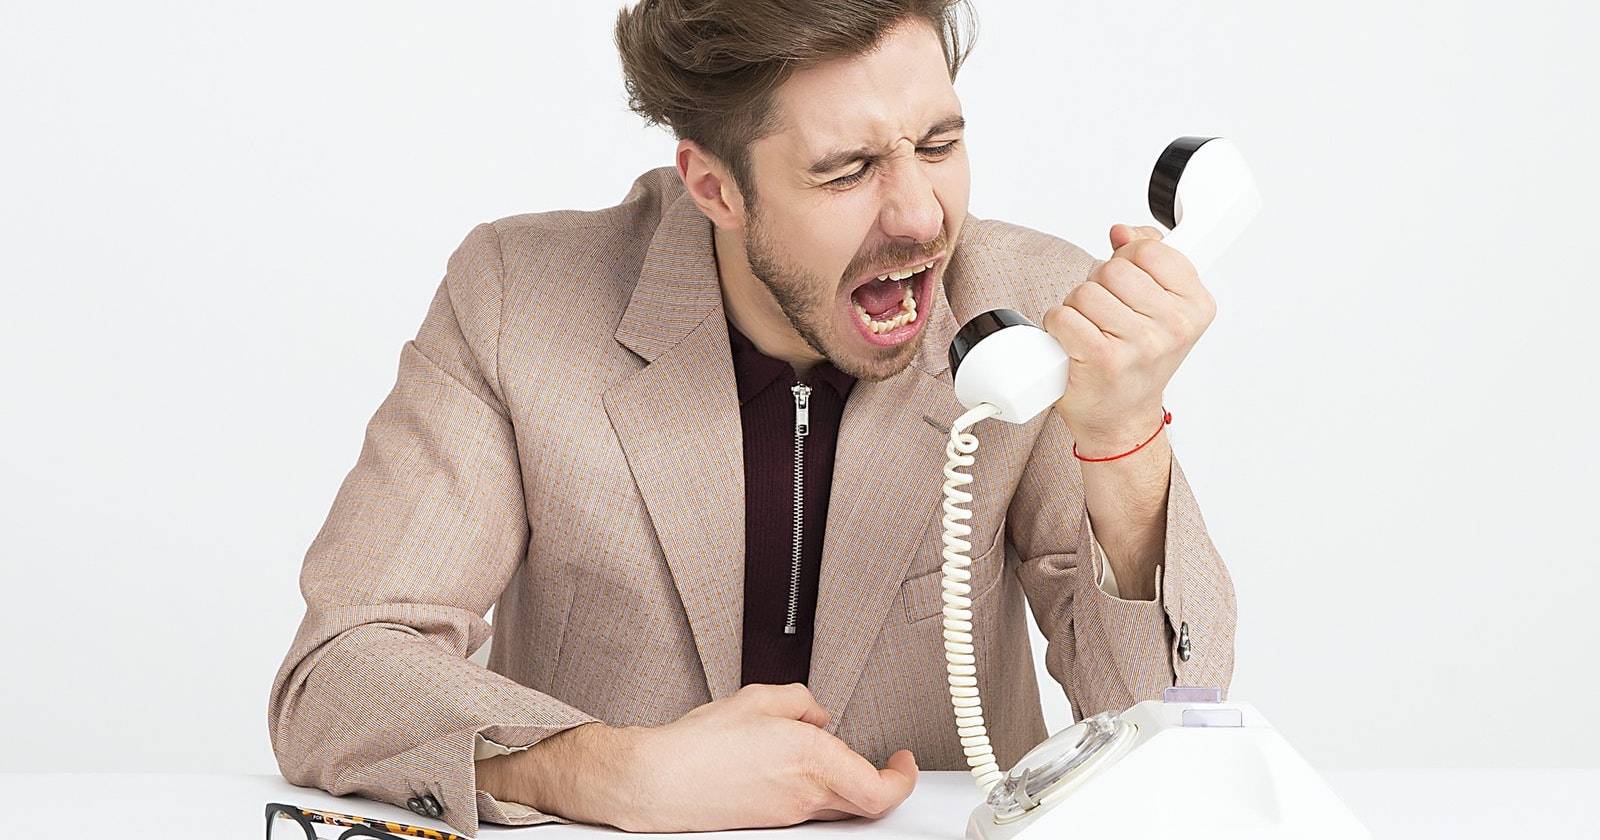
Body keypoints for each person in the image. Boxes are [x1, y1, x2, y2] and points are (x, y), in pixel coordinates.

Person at [267, 1, 1237, 835]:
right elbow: (339, 674)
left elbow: (1171, 731)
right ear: (713, 187)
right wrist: (606, 770)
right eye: (846, 168)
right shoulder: (517, 297)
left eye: (939, 144)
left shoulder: (1026, 305)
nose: (919, 217)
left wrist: (1121, 441)